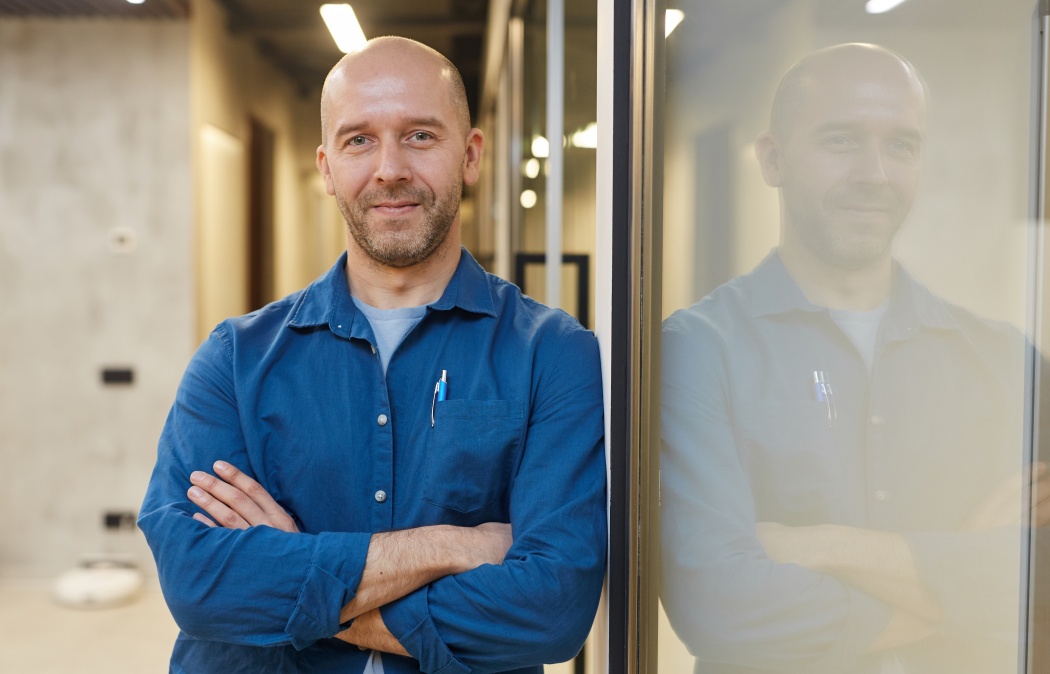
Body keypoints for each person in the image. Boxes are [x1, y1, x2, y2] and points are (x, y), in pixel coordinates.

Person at [139, 36, 606, 674]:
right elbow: (199, 584)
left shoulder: (553, 355)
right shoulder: (234, 359)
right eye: (359, 140)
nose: (389, 168)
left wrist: (297, 580)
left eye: (419, 135)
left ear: (470, 156)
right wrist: (452, 545)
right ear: (327, 168)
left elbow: (551, 610)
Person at [660, 43, 1047, 673]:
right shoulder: (700, 350)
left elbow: (1042, 589)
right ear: (773, 160)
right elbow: (718, 603)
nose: (876, 173)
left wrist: (814, 546)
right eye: (841, 141)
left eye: (902, 145)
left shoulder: (1004, 362)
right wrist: (967, 577)